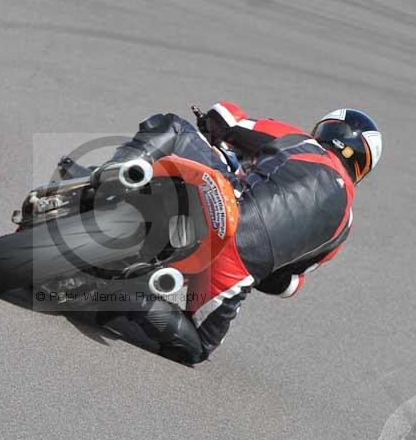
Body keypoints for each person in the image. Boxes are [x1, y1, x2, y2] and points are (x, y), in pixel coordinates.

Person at [106, 102, 382, 364]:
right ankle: (131, 296)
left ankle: (109, 180)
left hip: (226, 207)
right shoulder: (344, 227)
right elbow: (285, 284)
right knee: (198, 347)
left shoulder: (301, 142)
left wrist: (209, 122)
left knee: (172, 127)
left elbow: (228, 118)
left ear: (325, 130)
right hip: (237, 271)